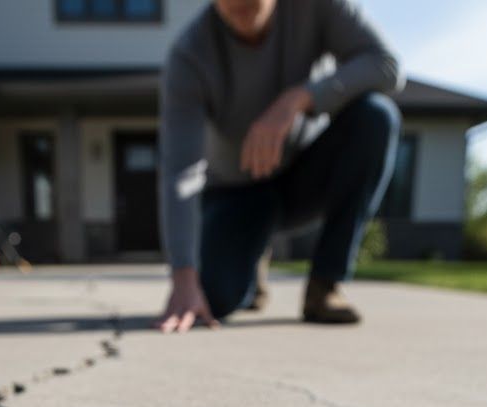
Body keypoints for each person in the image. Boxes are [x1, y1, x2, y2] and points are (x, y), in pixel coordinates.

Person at [157, 0, 403, 332]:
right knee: (214, 298)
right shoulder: (190, 55)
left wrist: (300, 98)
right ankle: (254, 255)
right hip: (235, 192)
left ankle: (325, 284)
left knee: (376, 116)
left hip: (302, 176)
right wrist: (183, 275)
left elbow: (386, 66)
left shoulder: (318, 8)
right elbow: (181, 172)